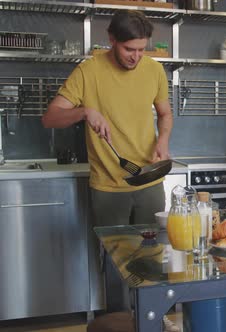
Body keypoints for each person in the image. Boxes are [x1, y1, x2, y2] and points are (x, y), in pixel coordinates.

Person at [42, 10, 177, 332]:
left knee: (151, 255)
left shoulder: (153, 70)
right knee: (117, 262)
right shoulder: (89, 71)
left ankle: (153, 318)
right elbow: (50, 118)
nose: (136, 57)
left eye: (142, 50)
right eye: (130, 49)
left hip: (148, 179)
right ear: (112, 40)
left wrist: (164, 140)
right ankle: (121, 323)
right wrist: (84, 111)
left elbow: (165, 113)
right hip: (108, 186)